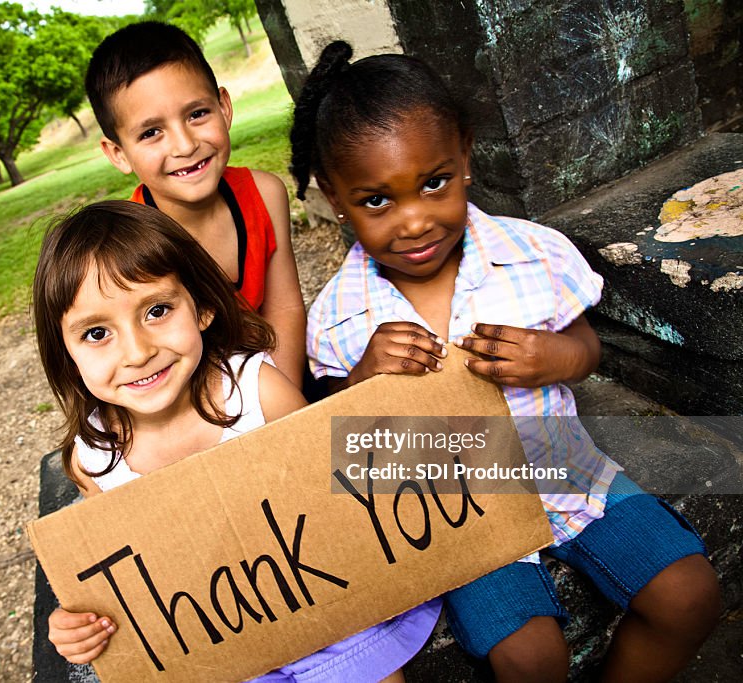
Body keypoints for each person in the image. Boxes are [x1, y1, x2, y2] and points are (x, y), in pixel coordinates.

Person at [291, 41, 720, 683]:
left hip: (572, 475)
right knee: (528, 656)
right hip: (462, 519)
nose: (413, 222)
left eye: (434, 183)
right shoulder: (339, 319)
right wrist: (363, 384)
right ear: (332, 195)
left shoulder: (533, 254)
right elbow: (342, 443)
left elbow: (587, 350)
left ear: (464, 155)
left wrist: (555, 357)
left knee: (690, 594)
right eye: (376, 201)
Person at [32, 200, 441, 682]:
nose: (138, 351)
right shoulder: (95, 459)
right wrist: (79, 624)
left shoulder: (258, 392)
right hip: (217, 650)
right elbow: (120, 583)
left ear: (202, 307)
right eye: (97, 333)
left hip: (329, 616)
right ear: (66, 352)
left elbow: (342, 495)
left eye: (157, 310)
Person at [84, 21, 307, 389]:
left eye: (197, 114)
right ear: (119, 154)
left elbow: (284, 311)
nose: (185, 145)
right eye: (151, 132)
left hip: (274, 381)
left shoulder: (265, 194)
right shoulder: (130, 245)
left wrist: (283, 408)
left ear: (224, 107)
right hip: (189, 398)